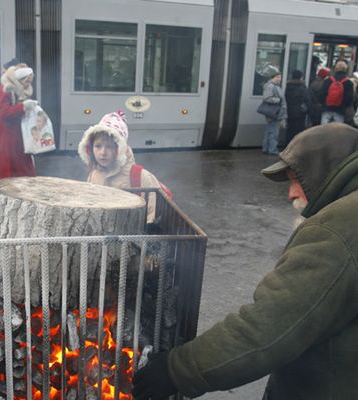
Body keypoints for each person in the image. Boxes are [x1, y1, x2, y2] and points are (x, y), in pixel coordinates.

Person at [132, 123, 358, 400]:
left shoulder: (335, 230)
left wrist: (176, 370)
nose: (291, 194)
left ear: (322, 171)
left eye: (294, 179)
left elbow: (269, 327)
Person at [78, 111, 164, 223]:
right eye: (98, 146)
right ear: (90, 148)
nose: (103, 152)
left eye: (109, 146)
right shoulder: (93, 175)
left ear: (120, 148)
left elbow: (152, 216)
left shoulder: (141, 176)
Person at [0, 64, 38, 181]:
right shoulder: (6, 90)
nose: (28, 84)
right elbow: (3, 113)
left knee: (19, 169)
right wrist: (23, 107)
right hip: (7, 137)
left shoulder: (16, 90)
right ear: (19, 79)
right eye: (26, 81)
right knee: (9, 171)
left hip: (15, 136)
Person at [261, 71, 287, 155]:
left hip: (274, 111)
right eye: (277, 77)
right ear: (272, 77)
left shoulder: (275, 86)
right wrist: (278, 100)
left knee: (269, 130)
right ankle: (272, 149)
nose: (279, 79)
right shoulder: (271, 86)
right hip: (274, 112)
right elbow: (266, 98)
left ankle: (266, 148)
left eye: (280, 77)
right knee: (274, 131)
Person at [284, 69, 311, 147]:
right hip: (300, 113)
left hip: (289, 111)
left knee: (290, 130)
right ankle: (296, 146)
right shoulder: (302, 87)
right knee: (298, 130)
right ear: (300, 77)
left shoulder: (288, 87)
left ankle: (287, 146)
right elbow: (307, 100)